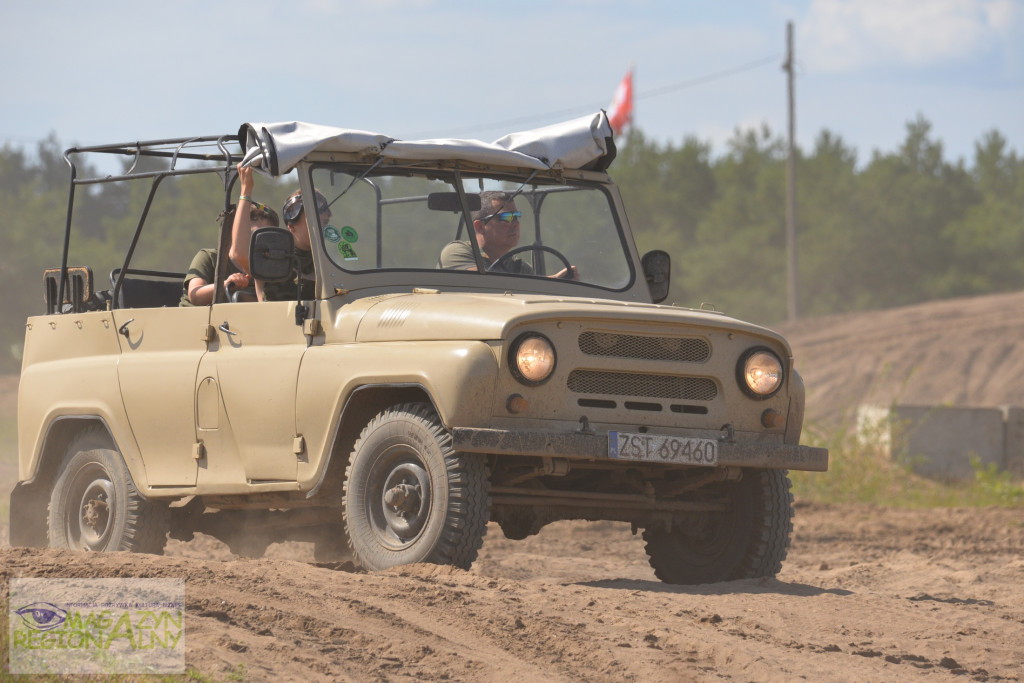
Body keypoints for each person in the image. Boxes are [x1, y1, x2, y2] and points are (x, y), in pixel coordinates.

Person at [228, 163, 327, 301]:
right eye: (313, 221)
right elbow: (240, 253)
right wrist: (246, 191)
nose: (322, 228)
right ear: (291, 225)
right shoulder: (273, 258)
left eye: (325, 222)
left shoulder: (330, 262)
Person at [438, 190, 577, 279]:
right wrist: (551, 281)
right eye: (506, 218)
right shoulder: (456, 252)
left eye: (516, 216)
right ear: (480, 226)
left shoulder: (520, 268)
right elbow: (486, 283)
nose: (515, 223)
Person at [180, 201, 279, 306]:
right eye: (254, 235)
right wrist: (226, 284)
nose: (260, 242)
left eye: (267, 237)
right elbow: (196, 296)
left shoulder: (270, 270)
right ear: (236, 232)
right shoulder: (209, 257)